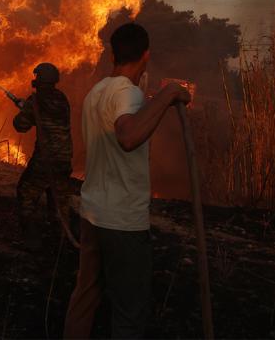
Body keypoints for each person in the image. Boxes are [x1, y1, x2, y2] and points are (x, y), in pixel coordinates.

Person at [64, 22, 190, 339]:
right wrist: (167, 94)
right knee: (129, 312)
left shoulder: (98, 92)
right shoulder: (127, 92)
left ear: (113, 54)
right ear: (145, 55)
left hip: (92, 213)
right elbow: (128, 136)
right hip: (121, 221)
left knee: (85, 297)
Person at [12, 62, 73, 247]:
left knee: (26, 193)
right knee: (59, 201)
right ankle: (60, 242)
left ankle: (31, 240)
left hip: (44, 160)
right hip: (64, 159)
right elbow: (48, 116)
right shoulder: (62, 99)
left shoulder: (35, 101)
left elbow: (20, 125)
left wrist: (24, 109)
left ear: (38, 79)